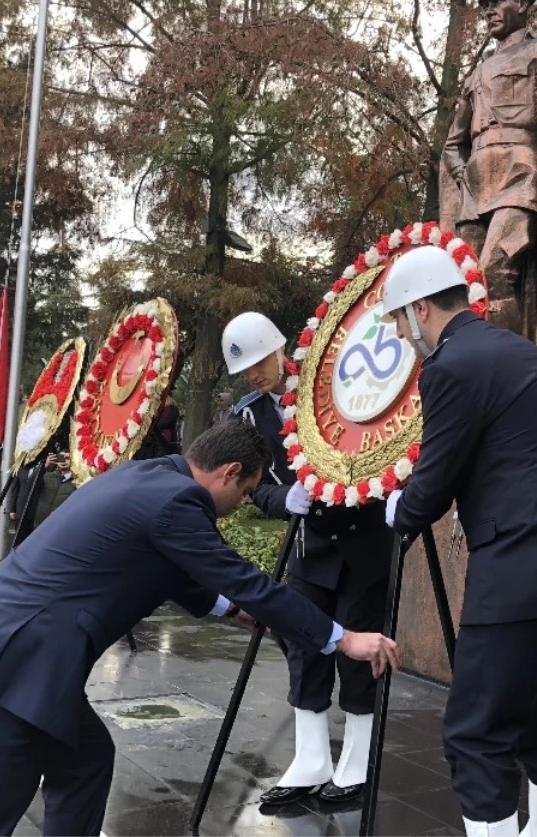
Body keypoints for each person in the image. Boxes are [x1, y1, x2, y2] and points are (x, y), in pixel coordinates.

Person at [0, 420, 400, 837]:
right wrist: (344, 638)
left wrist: (230, 610)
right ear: (228, 472)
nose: (238, 507)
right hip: (5, 668)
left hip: (16, 656)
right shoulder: (177, 502)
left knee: (86, 762)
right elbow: (248, 582)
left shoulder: (147, 477)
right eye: (244, 492)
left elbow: (168, 567)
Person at [380, 246, 537, 837]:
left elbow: (436, 479)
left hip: (525, 569)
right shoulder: (518, 350)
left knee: (475, 734)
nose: (398, 333)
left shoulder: (451, 365)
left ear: (422, 308)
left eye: (398, 318)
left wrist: (401, 509)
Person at [221, 312, 394, 804]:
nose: (255, 374)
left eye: (259, 361)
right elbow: (255, 489)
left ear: (280, 348)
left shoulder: (334, 383)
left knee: (361, 648)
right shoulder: (250, 416)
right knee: (304, 645)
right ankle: (311, 756)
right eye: (246, 369)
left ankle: (357, 758)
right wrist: (282, 500)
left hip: (363, 537)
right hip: (309, 542)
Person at [439, 0, 537, 369]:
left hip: (522, 177)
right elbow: (453, 142)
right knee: (461, 287)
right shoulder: (477, 72)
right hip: (476, 188)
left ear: (522, 3)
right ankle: (470, 374)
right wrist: (461, 173)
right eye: (484, 4)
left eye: (498, 0)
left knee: (494, 274)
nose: (488, 9)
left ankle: (510, 378)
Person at [31, 452, 76, 529]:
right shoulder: (48, 476)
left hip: (60, 526)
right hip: (39, 523)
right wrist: (44, 466)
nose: (63, 461)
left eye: (67, 458)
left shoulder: (77, 482)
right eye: (61, 457)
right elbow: (31, 484)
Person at [132, 394, 180, 460]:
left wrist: (154, 425)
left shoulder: (173, 409)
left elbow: (167, 422)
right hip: (157, 440)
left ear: (170, 399)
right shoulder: (159, 410)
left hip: (168, 440)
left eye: (166, 398)